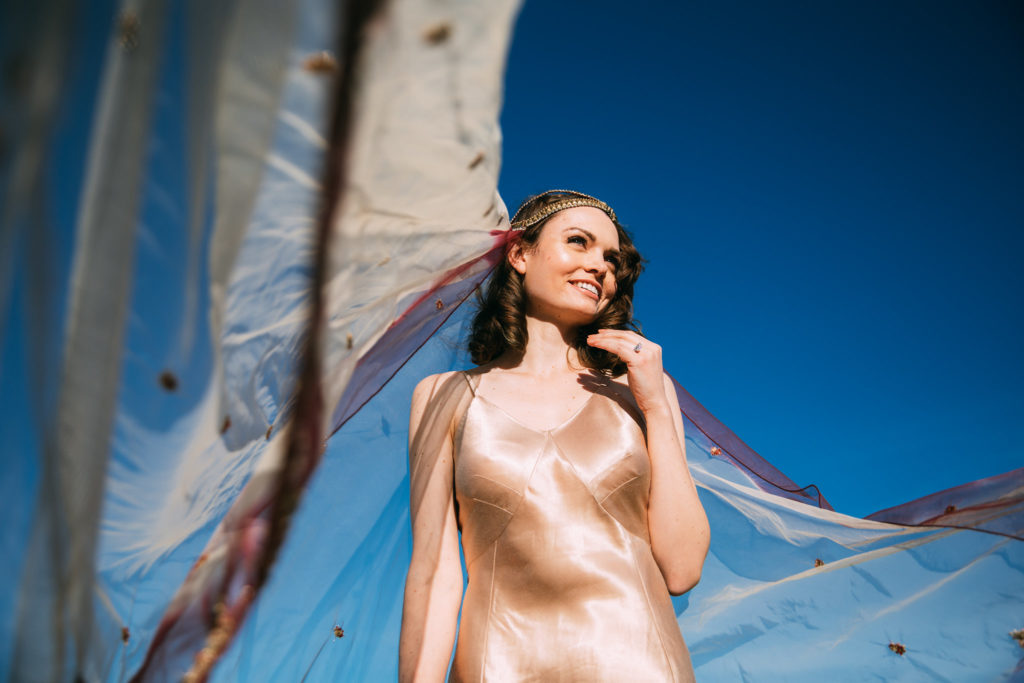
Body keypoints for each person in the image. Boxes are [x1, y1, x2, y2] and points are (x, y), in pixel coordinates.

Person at [399, 190, 710, 682]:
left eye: (612, 259)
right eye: (579, 243)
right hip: (495, 665)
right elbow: (435, 571)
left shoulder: (641, 390)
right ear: (520, 254)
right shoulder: (444, 395)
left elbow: (682, 568)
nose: (600, 267)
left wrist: (655, 406)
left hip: (640, 664)